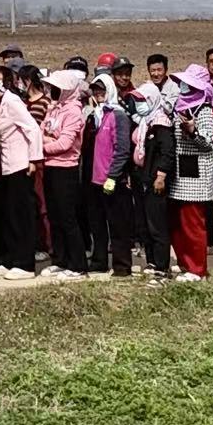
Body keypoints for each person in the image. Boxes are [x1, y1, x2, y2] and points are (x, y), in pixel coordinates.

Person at [166, 65, 213, 281]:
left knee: (193, 224)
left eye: (188, 84)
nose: (183, 87)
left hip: (195, 176)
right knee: (177, 224)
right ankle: (184, 262)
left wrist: (192, 132)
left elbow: (208, 143)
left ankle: (197, 269)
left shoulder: (204, 111)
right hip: (178, 173)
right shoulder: (178, 107)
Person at [81, 72, 135, 276]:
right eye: (95, 90)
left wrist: (113, 176)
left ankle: (122, 265)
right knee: (97, 224)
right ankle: (99, 261)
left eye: (102, 90)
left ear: (110, 90)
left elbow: (122, 149)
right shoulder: (96, 115)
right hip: (95, 180)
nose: (98, 93)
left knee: (117, 225)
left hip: (112, 180)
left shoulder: (118, 115)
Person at [0, 69, 41, 280]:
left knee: (22, 215)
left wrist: (34, 159)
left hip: (21, 164)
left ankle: (25, 263)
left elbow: (32, 128)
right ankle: (11, 257)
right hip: (7, 165)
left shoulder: (12, 102)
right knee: (9, 214)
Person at [37, 70, 87, 278]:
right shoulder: (53, 109)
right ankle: (60, 259)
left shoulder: (74, 112)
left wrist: (43, 146)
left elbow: (65, 143)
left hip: (66, 169)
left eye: (56, 88)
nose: (52, 91)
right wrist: (47, 141)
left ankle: (78, 264)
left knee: (67, 218)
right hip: (50, 166)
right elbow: (42, 131)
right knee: (54, 216)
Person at [128, 81, 175, 280]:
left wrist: (161, 175)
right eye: (137, 101)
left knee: (157, 224)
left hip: (155, 180)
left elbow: (167, 152)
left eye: (143, 100)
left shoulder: (161, 123)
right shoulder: (143, 122)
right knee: (144, 223)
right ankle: (152, 260)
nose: (139, 104)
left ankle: (162, 266)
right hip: (141, 178)